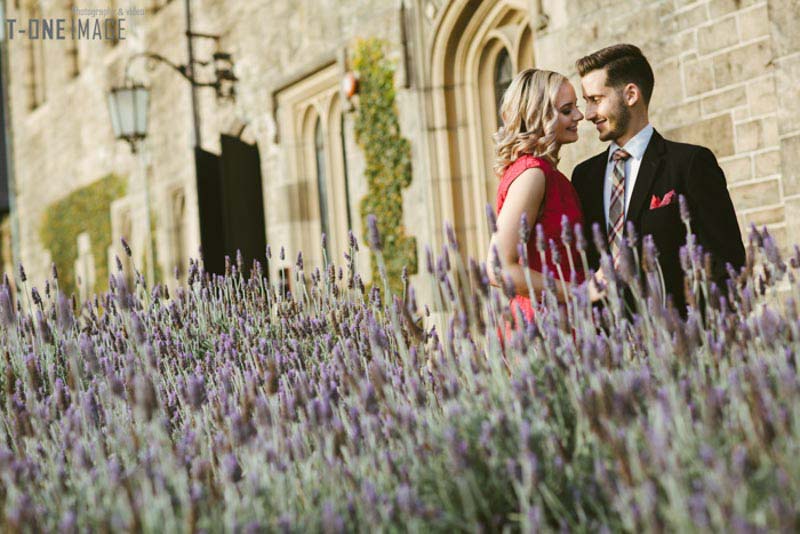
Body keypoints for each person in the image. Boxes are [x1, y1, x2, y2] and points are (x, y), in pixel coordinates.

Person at [571, 44, 745, 316]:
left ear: (630, 94)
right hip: (603, 347)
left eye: (596, 99)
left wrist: (697, 338)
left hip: (676, 342)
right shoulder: (584, 177)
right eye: (586, 101)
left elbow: (727, 262)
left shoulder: (689, 164)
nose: (589, 113)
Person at [487, 68, 596, 331]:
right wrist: (580, 292)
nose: (579, 116)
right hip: (546, 327)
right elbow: (499, 268)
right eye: (567, 110)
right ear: (539, 117)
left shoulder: (546, 173)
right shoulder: (532, 174)